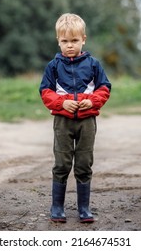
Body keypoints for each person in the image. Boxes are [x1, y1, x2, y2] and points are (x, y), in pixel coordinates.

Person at [39, 13, 111, 223]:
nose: (69, 45)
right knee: (61, 163)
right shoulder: (53, 66)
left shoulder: (94, 64)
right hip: (63, 121)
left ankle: (84, 208)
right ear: (58, 41)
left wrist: (93, 101)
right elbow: (45, 91)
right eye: (65, 41)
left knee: (84, 163)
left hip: (87, 122)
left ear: (83, 39)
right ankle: (57, 207)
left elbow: (104, 87)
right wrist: (61, 103)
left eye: (74, 41)